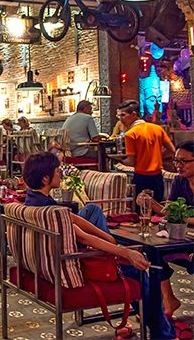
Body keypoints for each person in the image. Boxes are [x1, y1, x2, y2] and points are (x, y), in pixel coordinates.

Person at [23, 152, 177, 340]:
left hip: (53, 257)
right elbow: (85, 238)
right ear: (46, 178)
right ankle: (163, 334)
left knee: (93, 210)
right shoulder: (51, 211)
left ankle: (116, 247)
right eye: (57, 171)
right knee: (141, 274)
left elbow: (72, 218)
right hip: (78, 261)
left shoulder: (33, 201)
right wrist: (123, 252)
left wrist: (108, 239)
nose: (61, 174)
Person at [137, 140, 194, 317]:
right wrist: (151, 204)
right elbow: (169, 210)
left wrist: (181, 217)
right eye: (176, 161)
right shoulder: (180, 181)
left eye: (183, 161)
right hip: (185, 238)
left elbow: (175, 215)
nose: (178, 165)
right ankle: (168, 300)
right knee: (153, 251)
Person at [117, 100, 175, 202]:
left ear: (134, 114)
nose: (121, 119)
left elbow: (130, 162)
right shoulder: (158, 129)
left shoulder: (131, 134)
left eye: (123, 115)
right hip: (158, 177)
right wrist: (157, 156)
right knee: (158, 211)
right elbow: (173, 151)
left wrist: (118, 159)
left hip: (141, 177)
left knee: (142, 212)